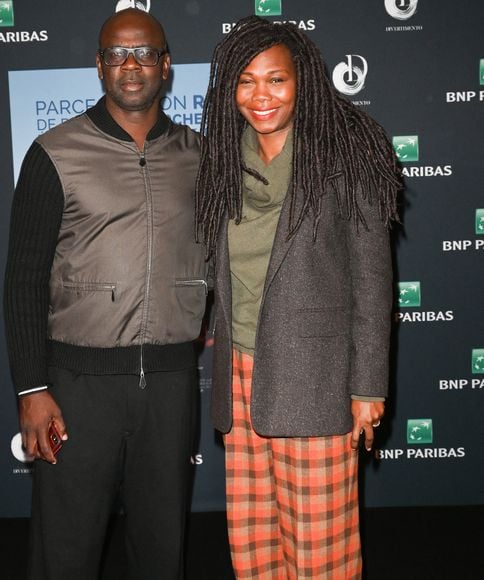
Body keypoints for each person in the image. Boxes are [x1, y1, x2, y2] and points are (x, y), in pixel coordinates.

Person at [195, 16, 402, 579]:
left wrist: (367, 387)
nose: (261, 95)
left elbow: (372, 279)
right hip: (240, 374)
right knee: (254, 540)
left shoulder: (346, 150)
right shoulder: (220, 159)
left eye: (276, 80)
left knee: (321, 549)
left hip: (317, 377)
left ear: (303, 81)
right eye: (246, 81)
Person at [4, 8, 207, 579]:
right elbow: (22, 279)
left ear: (166, 66)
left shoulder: (203, 155)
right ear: (99, 66)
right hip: (75, 389)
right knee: (64, 552)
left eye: (144, 52)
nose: (131, 65)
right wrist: (32, 387)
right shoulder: (55, 153)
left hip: (169, 387)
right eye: (117, 54)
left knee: (162, 551)